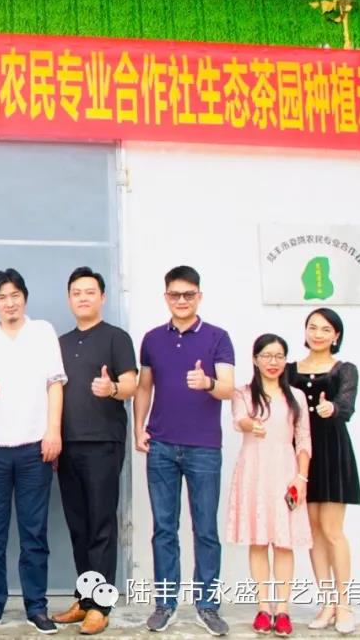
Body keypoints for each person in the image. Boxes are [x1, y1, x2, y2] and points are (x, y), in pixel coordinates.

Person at [0, 268, 66, 635]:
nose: (10, 302)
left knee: (34, 531)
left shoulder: (43, 332)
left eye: (15, 295)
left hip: (34, 446)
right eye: (2, 297)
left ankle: (36, 607)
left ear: (25, 297)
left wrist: (53, 431)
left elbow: (55, 383)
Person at [133, 265, 234, 636]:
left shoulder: (218, 337)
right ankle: (165, 604)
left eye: (188, 294)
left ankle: (207, 606)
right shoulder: (152, 339)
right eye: (175, 294)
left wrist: (207, 382)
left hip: (204, 448)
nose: (181, 300)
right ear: (166, 297)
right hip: (161, 444)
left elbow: (228, 388)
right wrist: (138, 427)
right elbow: (144, 386)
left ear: (199, 296)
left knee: (205, 529)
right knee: (164, 529)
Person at [51, 267, 137, 636]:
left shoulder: (117, 338)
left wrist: (111, 388)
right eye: (76, 292)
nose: (83, 297)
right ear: (69, 299)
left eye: (90, 292)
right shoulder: (60, 343)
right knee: (79, 526)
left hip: (103, 442)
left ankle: (101, 606)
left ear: (102, 297)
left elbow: (131, 383)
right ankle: (85, 600)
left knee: (102, 524)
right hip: (67, 444)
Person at [226, 334, 311, 637]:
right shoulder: (243, 393)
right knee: (259, 541)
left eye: (279, 356)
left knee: (284, 543)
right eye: (266, 355)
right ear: (255, 359)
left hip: (286, 473)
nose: (272, 362)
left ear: (286, 360)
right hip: (254, 471)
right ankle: (264, 608)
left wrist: (301, 478)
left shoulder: (296, 396)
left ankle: (283, 610)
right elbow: (239, 420)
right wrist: (251, 424)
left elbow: (303, 439)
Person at [287, 308, 360, 635]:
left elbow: (346, 406)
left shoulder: (345, 369)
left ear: (336, 336)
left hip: (331, 451)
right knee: (313, 532)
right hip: (301, 455)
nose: (317, 334)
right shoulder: (290, 370)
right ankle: (327, 602)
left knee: (332, 531)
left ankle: (344, 605)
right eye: (312, 327)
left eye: (325, 329)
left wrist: (333, 408)